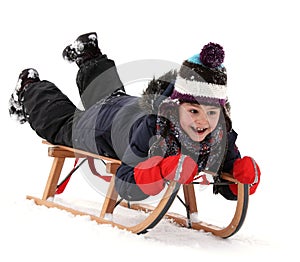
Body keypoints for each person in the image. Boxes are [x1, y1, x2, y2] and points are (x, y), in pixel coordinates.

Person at [8, 32, 261, 201]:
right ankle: (31, 89)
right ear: (175, 107)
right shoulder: (154, 130)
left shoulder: (219, 134)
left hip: (124, 106)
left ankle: (89, 55)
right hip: (104, 127)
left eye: (212, 113)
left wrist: (239, 177)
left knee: (111, 95)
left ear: (222, 113)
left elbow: (225, 167)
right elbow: (125, 182)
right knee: (64, 125)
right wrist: (160, 170)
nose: (202, 121)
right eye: (193, 111)